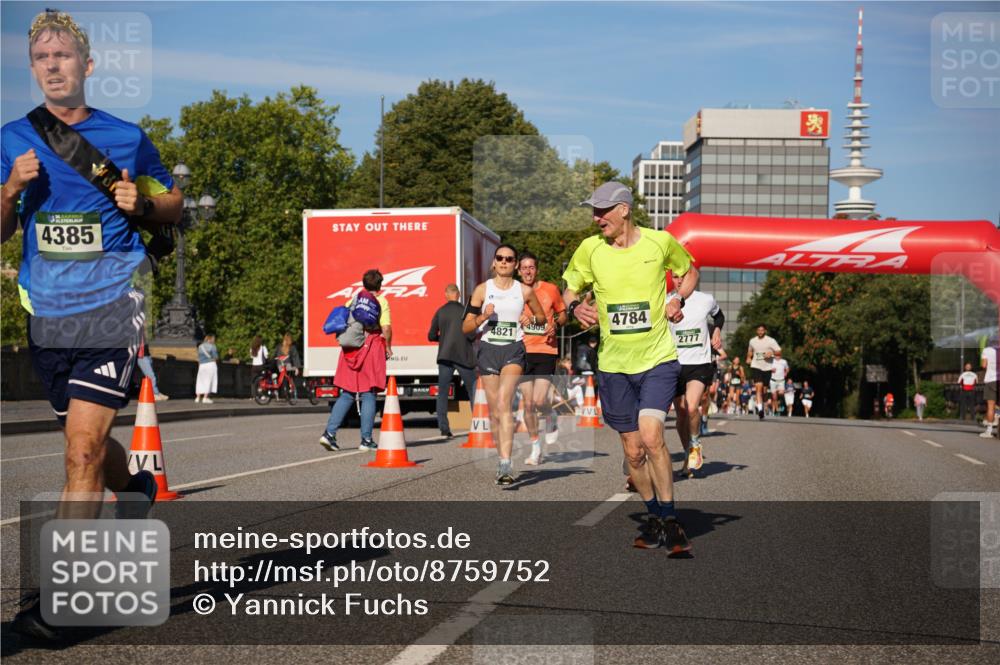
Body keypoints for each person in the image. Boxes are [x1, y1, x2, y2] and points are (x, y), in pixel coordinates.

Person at [2, 9, 182, 642]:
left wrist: (146, 203)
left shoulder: (126, 137)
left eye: (64, 56)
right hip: (47, 315)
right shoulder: (10, 139)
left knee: (80, 451)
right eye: (42, 58)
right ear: (35, 69)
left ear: (87, 65)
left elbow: (175, 204)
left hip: (113, 306)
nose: (53, 66)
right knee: (83, 446)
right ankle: (132, 485)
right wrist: (8, 192)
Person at [563, 181, 698, 553]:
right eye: (593, 210)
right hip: (613, 364)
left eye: (602, 211)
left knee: (652, 436)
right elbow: (569, 288)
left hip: (657, 359)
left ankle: (671, 520)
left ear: (623, 210)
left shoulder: (660, 242)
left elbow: (689, 272)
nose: (596, 218)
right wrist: (575, 306)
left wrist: (676, 297)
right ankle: (653, 515)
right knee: (633, 450)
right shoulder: (590, 249)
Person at [462, 244, 545, 485]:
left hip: (513, 350)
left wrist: (530, 320)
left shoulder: (525, 291)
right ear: (494, 262)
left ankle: (507, 463)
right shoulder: (481, 290)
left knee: (503, 402)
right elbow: (466, 328)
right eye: (500, 258)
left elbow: (542, 321)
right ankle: (502, 459)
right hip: (488, 350)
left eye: (509, 259)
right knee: (495, 412)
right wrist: (482, 317)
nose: (504, 262)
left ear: (515, 264)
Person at [320, 269, 391, 451]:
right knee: (368, 394)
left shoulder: (354, 299)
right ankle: (366, 440)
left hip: (350, 351)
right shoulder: (381, 301)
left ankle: (329, 433)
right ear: (380, 285)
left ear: (364, 284)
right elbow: (386, 328)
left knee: (348, 393)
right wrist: (388, 347)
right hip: (370, 349)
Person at [516, 251, 568, 464]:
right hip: (522, 351)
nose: (528, 271)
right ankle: (535, 448)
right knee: (528, 404)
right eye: (524, 268)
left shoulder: (550, 290)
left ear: (536, 269)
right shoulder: (513, 292)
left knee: (538, 400)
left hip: (546, 350)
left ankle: (551, 416)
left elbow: (563, 314)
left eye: (531, 267)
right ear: (518, 271)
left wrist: (556, 324)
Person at [669, 288, 724, 478]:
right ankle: (687, 454)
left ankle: (694, 444)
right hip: (674, 363)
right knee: (681, 413)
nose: (678, 281)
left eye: (682, 276)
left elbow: (720, 317)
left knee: (692, 407)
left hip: (699, 363)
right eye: (675, 277)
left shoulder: (705, 299)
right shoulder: (666, 300)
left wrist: (717, 331)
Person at [427, 284, 477, 438]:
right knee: (473, 390)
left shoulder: (440, 312)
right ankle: (478, 425)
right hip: (464, 356)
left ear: (446, 295)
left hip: (445, 357)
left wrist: (441, 338)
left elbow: (430, 335)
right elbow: (471, 336)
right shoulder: (466, 312)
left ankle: (444, 428)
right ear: (459, 295)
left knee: (442, 392)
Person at [746, 324, 781, 420]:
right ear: (756, 331)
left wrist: (772, 354)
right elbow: (750, 351)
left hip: (767, 368)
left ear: (765, 331)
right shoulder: (752, 341)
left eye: (762, 330)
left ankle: (764, 404)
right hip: (756, 366)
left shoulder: (771, 341)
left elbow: (779, 351)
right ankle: (760, 410)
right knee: (758, 387)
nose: (760, 332)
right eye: (758, 330)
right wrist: (748, 358)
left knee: (764, 391)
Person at [980, 341, 997, 438]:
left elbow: (984, 365)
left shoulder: (987, 350)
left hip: (991, 379)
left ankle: (989, 431)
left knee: (991, 406)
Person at [195, 334, 219, 404]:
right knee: (208, 381)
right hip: (210, 364)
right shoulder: (213, 346)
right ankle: (205, 397)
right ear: (210, 339)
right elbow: (215, 357)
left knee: (200, 381)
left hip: (202, 365)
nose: (214, 340)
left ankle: (198, 397)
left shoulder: (200, 346)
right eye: (213, 339)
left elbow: (199, 357)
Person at [770, 348, 790, 416]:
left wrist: (786, 373)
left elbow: (787, 368)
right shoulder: (771, 361)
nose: (777, 356)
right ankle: (776, 410)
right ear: (774, 355)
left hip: (781, 380)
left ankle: (782, 407)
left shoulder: (784, 361)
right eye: (776, 355)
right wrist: (771, 369)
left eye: (778, 355)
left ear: (780, 355)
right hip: (773, 380)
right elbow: (767, 368)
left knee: (781, 394)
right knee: (774, 397)